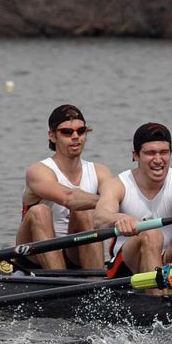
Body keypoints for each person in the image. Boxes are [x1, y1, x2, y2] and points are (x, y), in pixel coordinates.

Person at [94, 123, 172, 278]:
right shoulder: (118, 185)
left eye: (164, 152)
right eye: (150, 153)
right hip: (127, 265)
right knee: (151, 235)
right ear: (135, 155)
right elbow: (100, 217)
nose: (158, 159)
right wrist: (119, 218)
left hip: (167, 260)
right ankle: (156, 299)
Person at [17, 104, 114, 270]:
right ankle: (59, 278)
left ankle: (98, 289)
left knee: (86, 212)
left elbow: (117, 203)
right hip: (33, 253)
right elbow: (69, 198)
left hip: (75, 252)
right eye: (67, 132)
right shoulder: (39, 171)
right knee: (40, 211)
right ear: (52, 136)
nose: (75, 136)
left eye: (81, 131)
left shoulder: (100, 172)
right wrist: (106, 201)